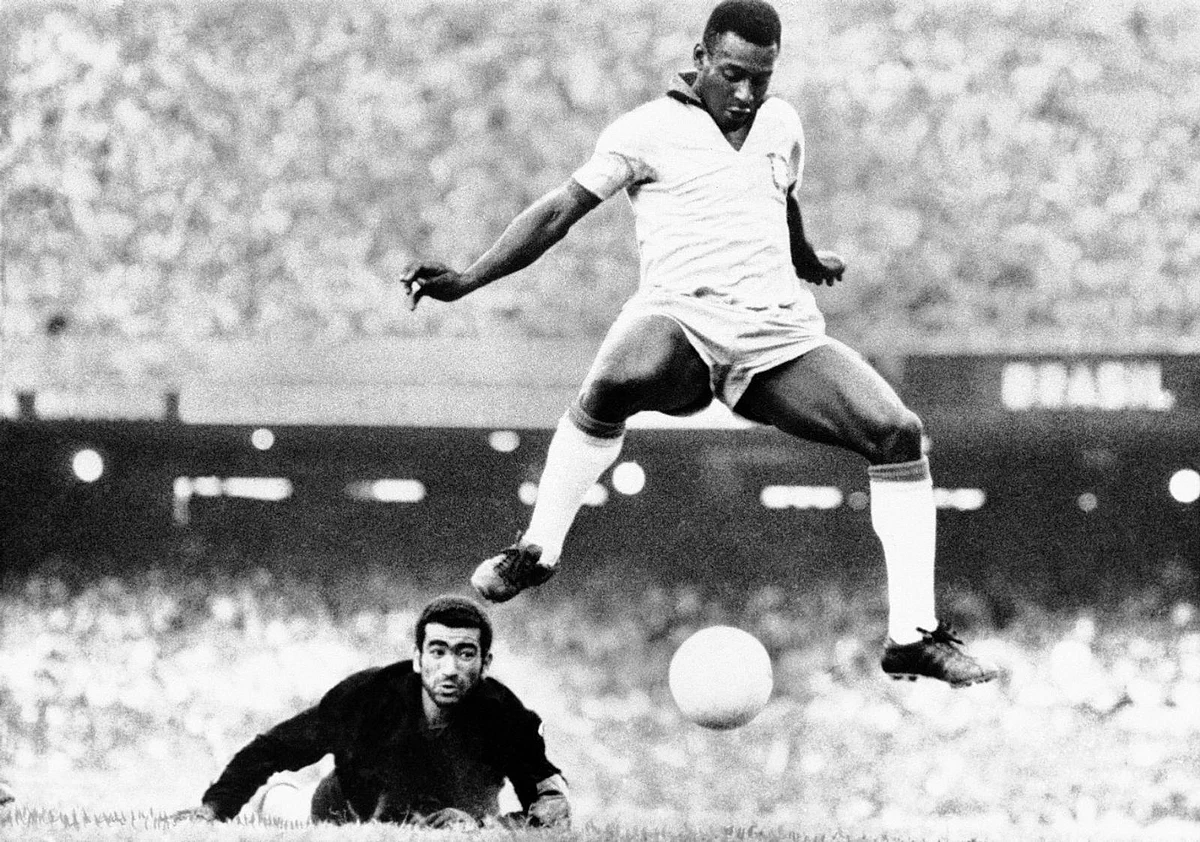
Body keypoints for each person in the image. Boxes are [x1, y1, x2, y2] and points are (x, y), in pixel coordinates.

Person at [401, 0, 997, 688]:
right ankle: (538, 549)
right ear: (701, 56)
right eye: (732, 74)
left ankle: (911, 635)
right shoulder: (646, 130)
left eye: (760, 79)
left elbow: (781, 196)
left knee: (899, 432)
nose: (745, 94)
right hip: (679, 321)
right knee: (613, 379)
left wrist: (806, 258)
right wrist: (469, 279)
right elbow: (560, 210)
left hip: (774, 336)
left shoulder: (781, 123)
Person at [172, 595, 570, 827]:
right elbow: (274, 747)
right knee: (289, 810)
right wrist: (214, 808)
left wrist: (484, 827)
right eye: (438, 651)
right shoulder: (369, 696)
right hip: (345, 809)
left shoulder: (506, 716)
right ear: (417, 659)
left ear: (485, 663)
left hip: (455, 816)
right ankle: (277, 799)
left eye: (465, 653)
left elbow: (551, 806)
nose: (450, 669)